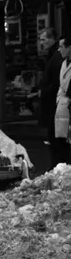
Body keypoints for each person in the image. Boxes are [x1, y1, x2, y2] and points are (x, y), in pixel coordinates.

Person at [37, 28, 62, 167]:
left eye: (44, 39)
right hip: (52, 103)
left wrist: (44, 91)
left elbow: (56, 82)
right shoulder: (51, 55)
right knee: (53, 138)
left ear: (52, 39)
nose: (41, 43)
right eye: (40, 39)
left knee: (55, 138)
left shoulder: (56, 56)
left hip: (53, 104)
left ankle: (57, 165)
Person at [53, 34, 71, 165]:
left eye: (61, 46)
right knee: (63, 141)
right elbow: (61, 85)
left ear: (69, 48)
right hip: (63, 105)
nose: (59, 50)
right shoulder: (64, 63)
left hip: (68, 104)